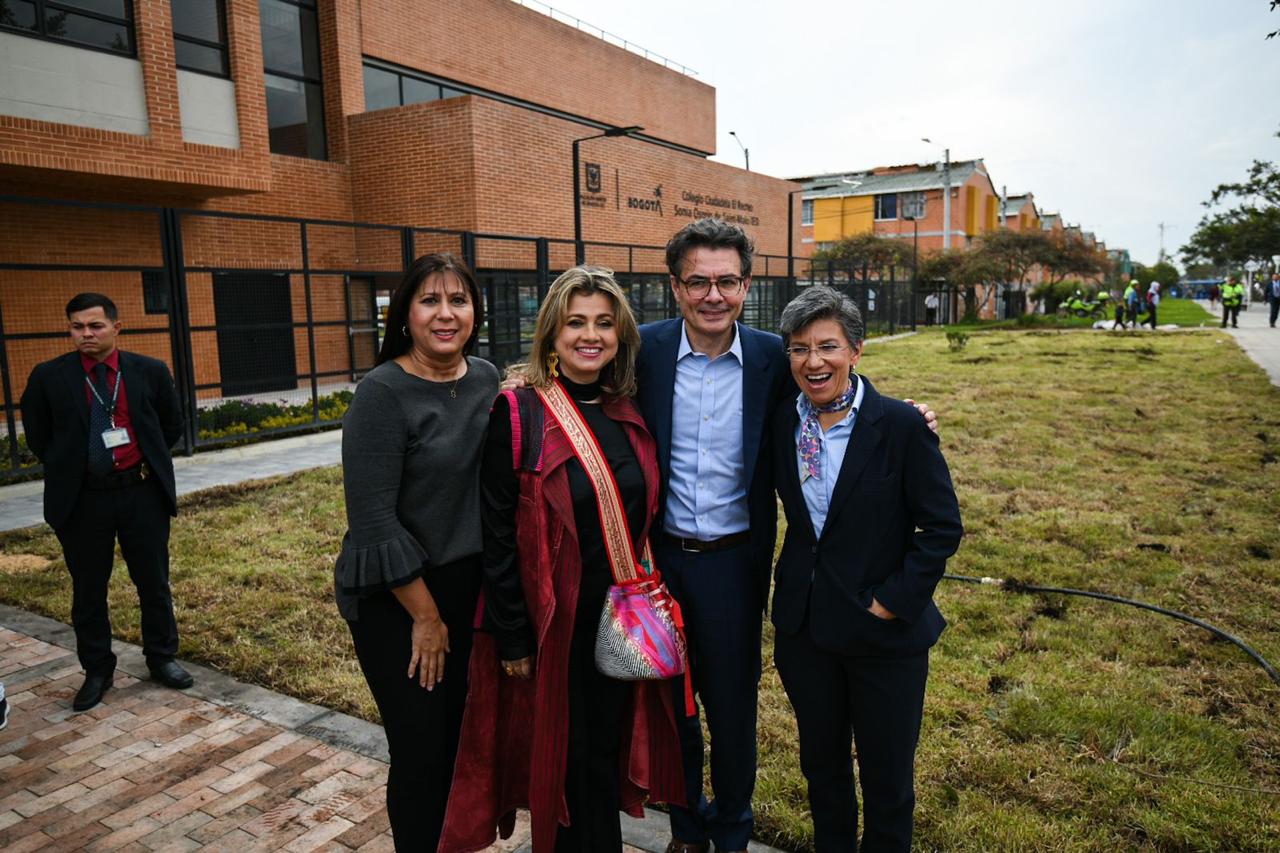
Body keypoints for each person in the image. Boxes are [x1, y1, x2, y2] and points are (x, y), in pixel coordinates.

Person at [635, 219, 937, 853]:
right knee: (671, 706)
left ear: (747, 285)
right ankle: (685, 827)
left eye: (726, 281)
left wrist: (906, 415)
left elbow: (836, 389)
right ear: (675, 286)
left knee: (733, 706)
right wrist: (530, 381)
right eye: (697, 281)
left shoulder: (776, 356)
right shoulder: (644, 350)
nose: (712, 295)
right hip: (656, 560)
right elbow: (583, 383)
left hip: (735, 563)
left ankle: (733, 832)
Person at [440, 267, 684, 852]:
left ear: (621, 334)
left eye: (604, 323)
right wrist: (514, 635)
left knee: (603, 756)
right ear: (551, 334)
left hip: (620, 621)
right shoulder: (520, 413)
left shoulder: (627, 410)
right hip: (557, 624)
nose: (589, 335)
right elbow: (498, 533)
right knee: (568, 766)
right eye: (575, 322)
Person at [770, 286, 963, 852]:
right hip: (806, 629)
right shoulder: (784, 421)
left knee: (886, 780)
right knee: (822, 771)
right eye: (800, 348)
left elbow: (942, 528)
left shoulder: (900, 426)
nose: (813, 361)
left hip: (884, 633)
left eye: (827, 346)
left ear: (856, 350)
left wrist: (892, 601)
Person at [334, 253, 499, 852]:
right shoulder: (381, 394)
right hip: (397, 597)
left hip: (467, 586)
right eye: (430, 300)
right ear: (405, 313)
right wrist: (426, 619)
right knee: (421, 751)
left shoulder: (484, 377)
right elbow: (373, 521)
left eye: (458, 299)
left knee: (461, 743)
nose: (446, 313)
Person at [20, 293, 191, 713]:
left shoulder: (149, 372)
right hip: (84, 500)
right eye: (77, 326)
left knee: (153, 582)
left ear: (117, 327)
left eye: (95, 326)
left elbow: (170, 425)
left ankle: (161, 657)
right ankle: (97, 669)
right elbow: (40, 437)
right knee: (89, 590)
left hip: (140, 493)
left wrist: (135, 463)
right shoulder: (49, 377)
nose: (86, 334)